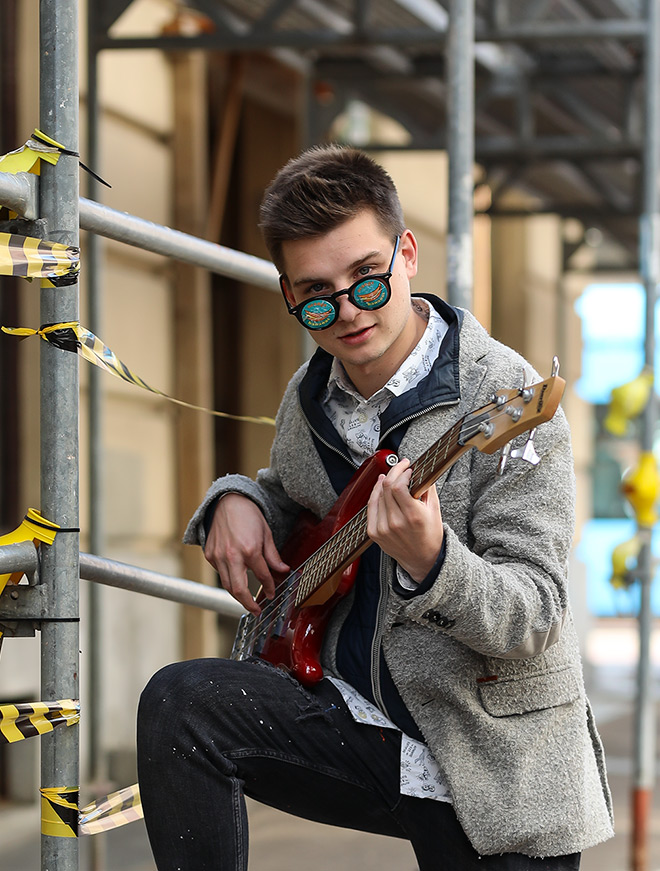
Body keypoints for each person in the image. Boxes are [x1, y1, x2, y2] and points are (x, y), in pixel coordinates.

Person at [137, 145, 613, 870]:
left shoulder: (507, 399)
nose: (350, 312)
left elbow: (538, 613)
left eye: (366, 278)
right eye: (319, 294)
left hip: (491, 755)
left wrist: (434, 562)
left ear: (407, 254)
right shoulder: (310, 394)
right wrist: (234, 497)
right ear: (290, 298)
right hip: (360, 721)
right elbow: (294, 497)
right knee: (180, 704)